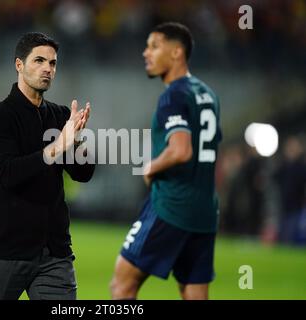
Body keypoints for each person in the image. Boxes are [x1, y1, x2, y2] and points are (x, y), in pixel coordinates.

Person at [0, 32, 95, 300]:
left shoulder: (61, 115)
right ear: (19, 65)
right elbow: (6, 174)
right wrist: (56, 147)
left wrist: (76, 142)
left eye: (52, 63)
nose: (47, 69)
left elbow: (83, 174)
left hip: (54, 254)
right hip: (4, 251)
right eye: (39, 61)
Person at [110, 22, 222, 300]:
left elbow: (181, 150)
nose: (146, 53)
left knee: (122, 285)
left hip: (171, 206)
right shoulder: (208, 94)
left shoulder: (173, 94)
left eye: (154, 46)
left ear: (176, 53)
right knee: (194, 293)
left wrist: (152, 166)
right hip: (204, 211)